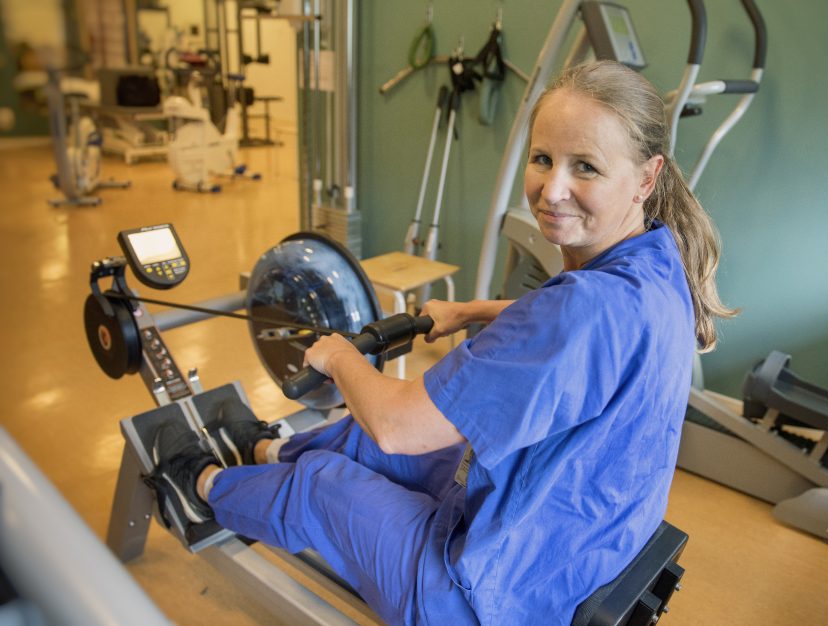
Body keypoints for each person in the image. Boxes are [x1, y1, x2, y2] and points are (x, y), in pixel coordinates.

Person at [146, 60, 735, 625]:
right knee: (379, 444)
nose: (553, 190)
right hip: (575, 551)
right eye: (543, 159)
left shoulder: (581, 307)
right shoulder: (659, 265)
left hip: (487, 605)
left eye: (585, 167)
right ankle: (269, 453)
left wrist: (339, 355)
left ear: (647, 177)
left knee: (326, 484)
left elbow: (397, 424)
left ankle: (201, 489)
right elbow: (583, 338)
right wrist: (471, 310)